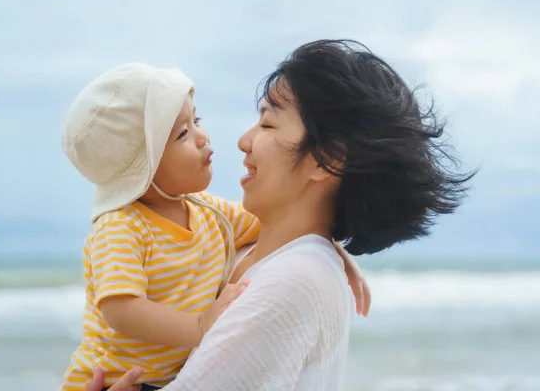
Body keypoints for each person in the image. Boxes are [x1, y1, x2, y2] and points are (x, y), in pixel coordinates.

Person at [87, 38, 474, 390]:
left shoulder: (295, 278)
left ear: (327, 160)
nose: (243, 141)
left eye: (268, 122)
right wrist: (339, 248)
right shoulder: (248, 249)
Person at [59, 62, 370, 390]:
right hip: (106, 380)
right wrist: (200, 324)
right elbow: (121, 310)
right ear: (141, 170)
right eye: (182, 134)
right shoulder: (120, 227)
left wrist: (335, 251)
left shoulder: (209, 212)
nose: (202, 136)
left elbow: (291, 228)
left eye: (196, 121)